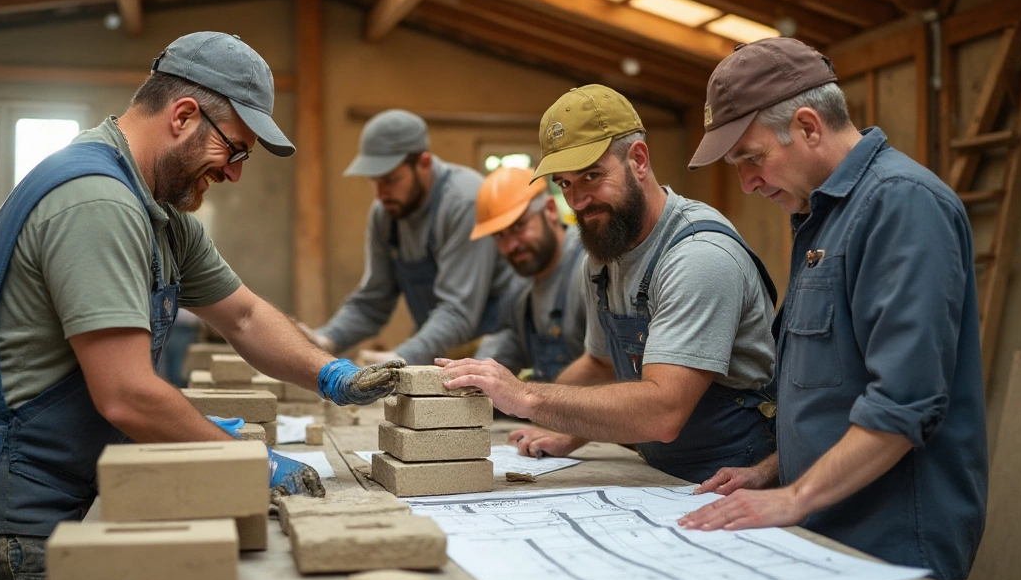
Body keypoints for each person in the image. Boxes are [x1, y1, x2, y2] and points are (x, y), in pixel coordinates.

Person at [0, 32, 401, 580]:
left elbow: (245, 317)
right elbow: (127, 396)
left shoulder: (159, 216)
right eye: (235, 149)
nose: (234, 172)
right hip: (0, 518)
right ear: (184, 116)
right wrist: (249, 463)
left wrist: (332, 374)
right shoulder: (98, 202)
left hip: (39, 495)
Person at [677, 37, 988, 580]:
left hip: (890, 548)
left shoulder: (901, 205)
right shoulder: (822, 215)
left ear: (808, 126)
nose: (747, 183)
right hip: (826, 534)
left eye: (752, 159)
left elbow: (904, 404)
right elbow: (831, 395)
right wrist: (769, 472)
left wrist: (793, 498)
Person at [442, 85, 778, 484]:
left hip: (735, 477)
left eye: (591, 176)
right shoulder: (603, 258)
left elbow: (663, 411)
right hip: (661, 476)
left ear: (638, 160)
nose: (578, 200)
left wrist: (526, 396)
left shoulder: (698, 256)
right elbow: (600, 366)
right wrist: (568, 429)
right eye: (565, 184)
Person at [306, 110, 520, 365]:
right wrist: (326, 339)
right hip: (444, 349)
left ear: (425, 164)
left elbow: (458, 312)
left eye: (391, 180)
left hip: (498, 348)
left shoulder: (464, 202)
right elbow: (373, 301)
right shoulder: (386, 214)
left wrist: (401, 356)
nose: (381, 194)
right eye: (374, 181)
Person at [472, 166, 587, 381]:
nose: (511, 245)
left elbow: (605, 363)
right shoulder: (521, 291)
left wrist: (531, 397)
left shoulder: (590, 268)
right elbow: (509, 344)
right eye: (499, 236)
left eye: (518, 227)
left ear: (551, 210)